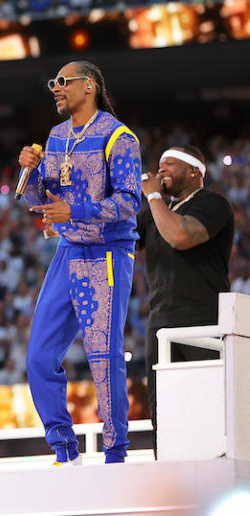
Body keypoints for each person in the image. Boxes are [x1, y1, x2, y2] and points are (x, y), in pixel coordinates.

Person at [18, 60, 141, 465]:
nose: (55, 88)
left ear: (88, 85)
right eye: (53, 82)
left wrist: (76, 212)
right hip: (68, 251)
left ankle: (116, 455)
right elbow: (45, 203)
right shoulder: (56, 137)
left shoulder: (119, 137)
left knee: (103, 355)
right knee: (38, 356)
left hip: (107, 253)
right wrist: (32, 175)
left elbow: (129, 201)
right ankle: (64, 449)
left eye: (62, 82)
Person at [138, 145, 235, 454]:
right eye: (159, 164)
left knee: (207, 403)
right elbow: (115, 239)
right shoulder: (155, 212)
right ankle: (166, 471)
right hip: (160, 323)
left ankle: (217, 469)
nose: (161, 169)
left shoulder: (213, 203)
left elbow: (181, 237)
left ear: (195, 171)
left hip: (202, 321)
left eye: (170, 164)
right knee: (163, 410)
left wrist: (154, 197)